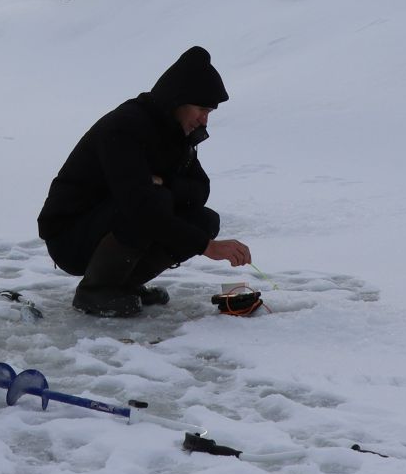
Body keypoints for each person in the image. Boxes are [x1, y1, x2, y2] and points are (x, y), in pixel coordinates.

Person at [37, 46, 253, 317]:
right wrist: (206, 247)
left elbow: (200, 189)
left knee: (204, 221)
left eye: (209, 111)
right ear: (178, 100)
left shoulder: (178, 134)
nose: (204, 120)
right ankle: (96, 291)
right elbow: (141, 208)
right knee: (153, 204)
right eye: (201, 108)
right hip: (69, 235)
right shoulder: (126, 126)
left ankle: (123, 284)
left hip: (112, 220)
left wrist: (167, 183)